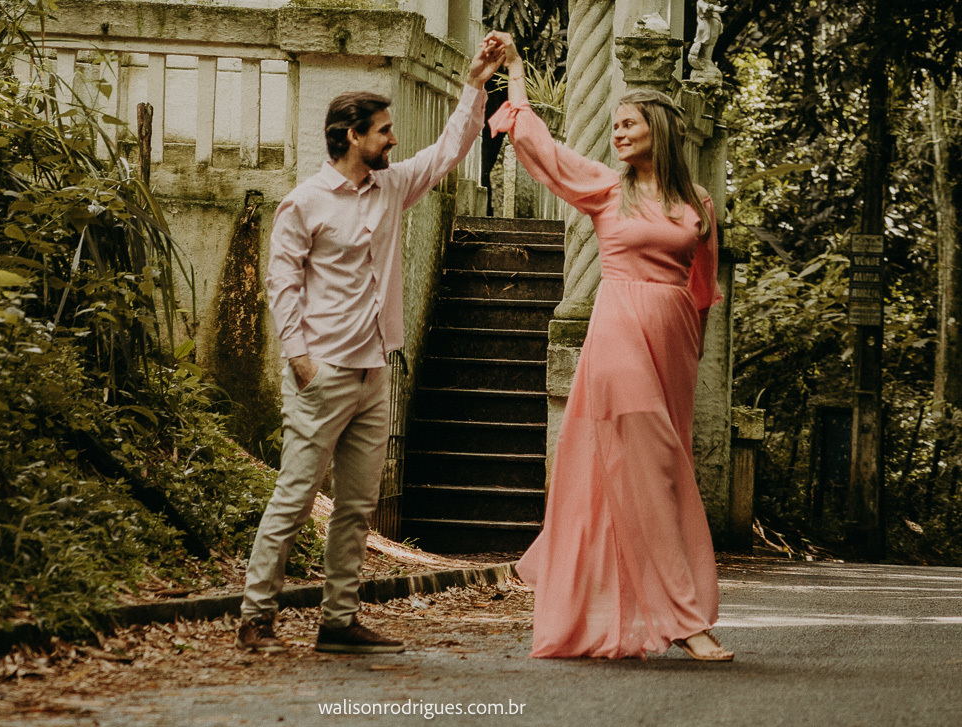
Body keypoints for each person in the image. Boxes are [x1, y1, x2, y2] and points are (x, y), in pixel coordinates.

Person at [236, 34, 505, 656]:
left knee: (357, 506)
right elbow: (282, 283)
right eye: (383, 131)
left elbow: (449, 150)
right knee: (294, 500)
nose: (393, 140)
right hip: (322, 373)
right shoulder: (303, 203)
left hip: (374, 374)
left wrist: (475, 85)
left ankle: (338, 622)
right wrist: (300, 359)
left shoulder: (392, 187)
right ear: (352, 135)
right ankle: (255, 617)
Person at [489, 32, 733, 663]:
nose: (618, 133)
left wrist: (692, 356)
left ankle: (622, 611)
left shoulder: (698, 204)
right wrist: (515, 70)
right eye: (616, 124)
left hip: (674, 344)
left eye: (629, 124)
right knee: (648, 464)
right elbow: (541, 149)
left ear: (659, 129)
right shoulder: (606, 187)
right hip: (618, 329)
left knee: (659, 471)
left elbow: (703, 291)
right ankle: (686, 620)